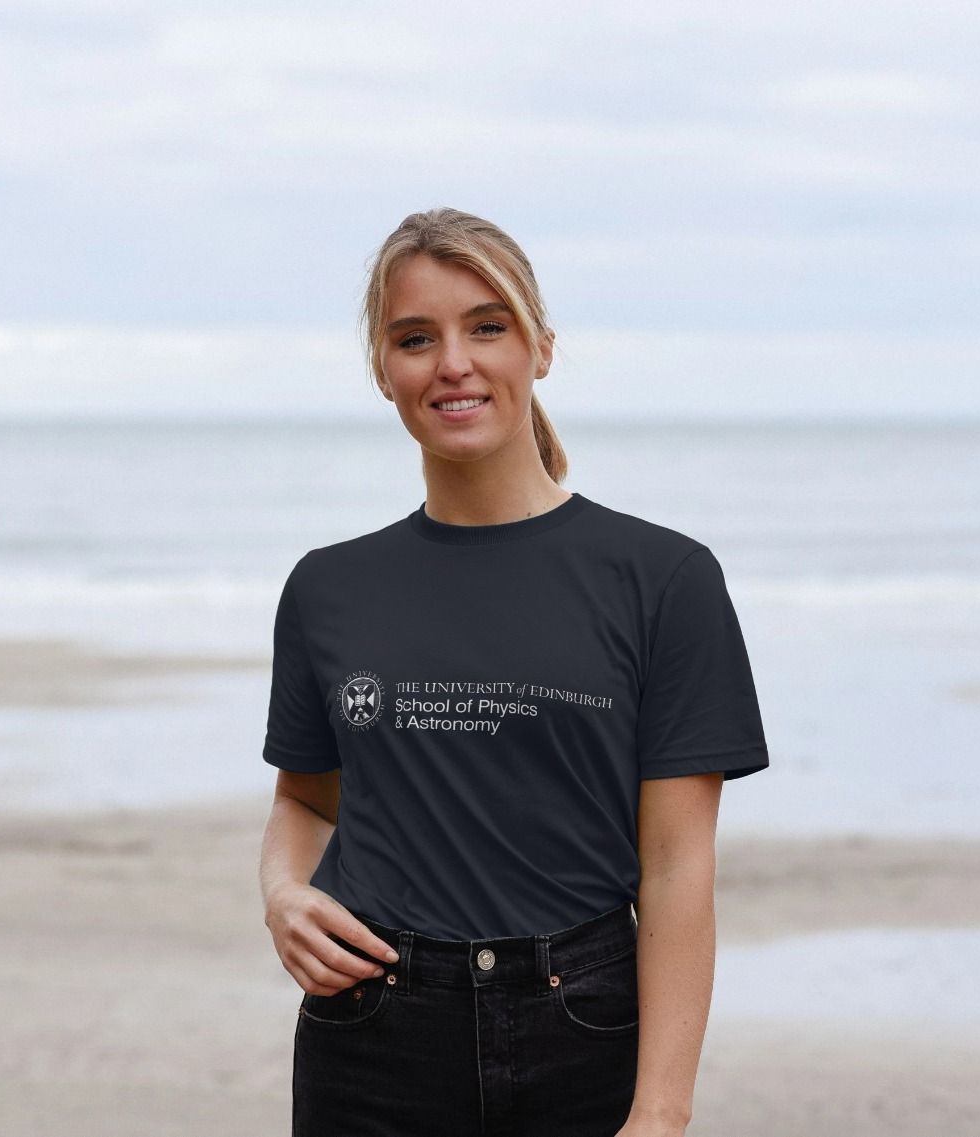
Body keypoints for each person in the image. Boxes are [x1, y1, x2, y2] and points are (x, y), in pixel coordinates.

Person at [258, 207, 770, 1137]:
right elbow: (306, 800)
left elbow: (677, 864)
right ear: (384, 370)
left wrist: (660, 1110)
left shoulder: (663, 579)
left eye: (487, 326)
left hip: (583, 1025)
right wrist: (284, 894)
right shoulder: (328, 587)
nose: (453, 362)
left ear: (540, 349)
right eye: (416, 338)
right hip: (371, 1031)